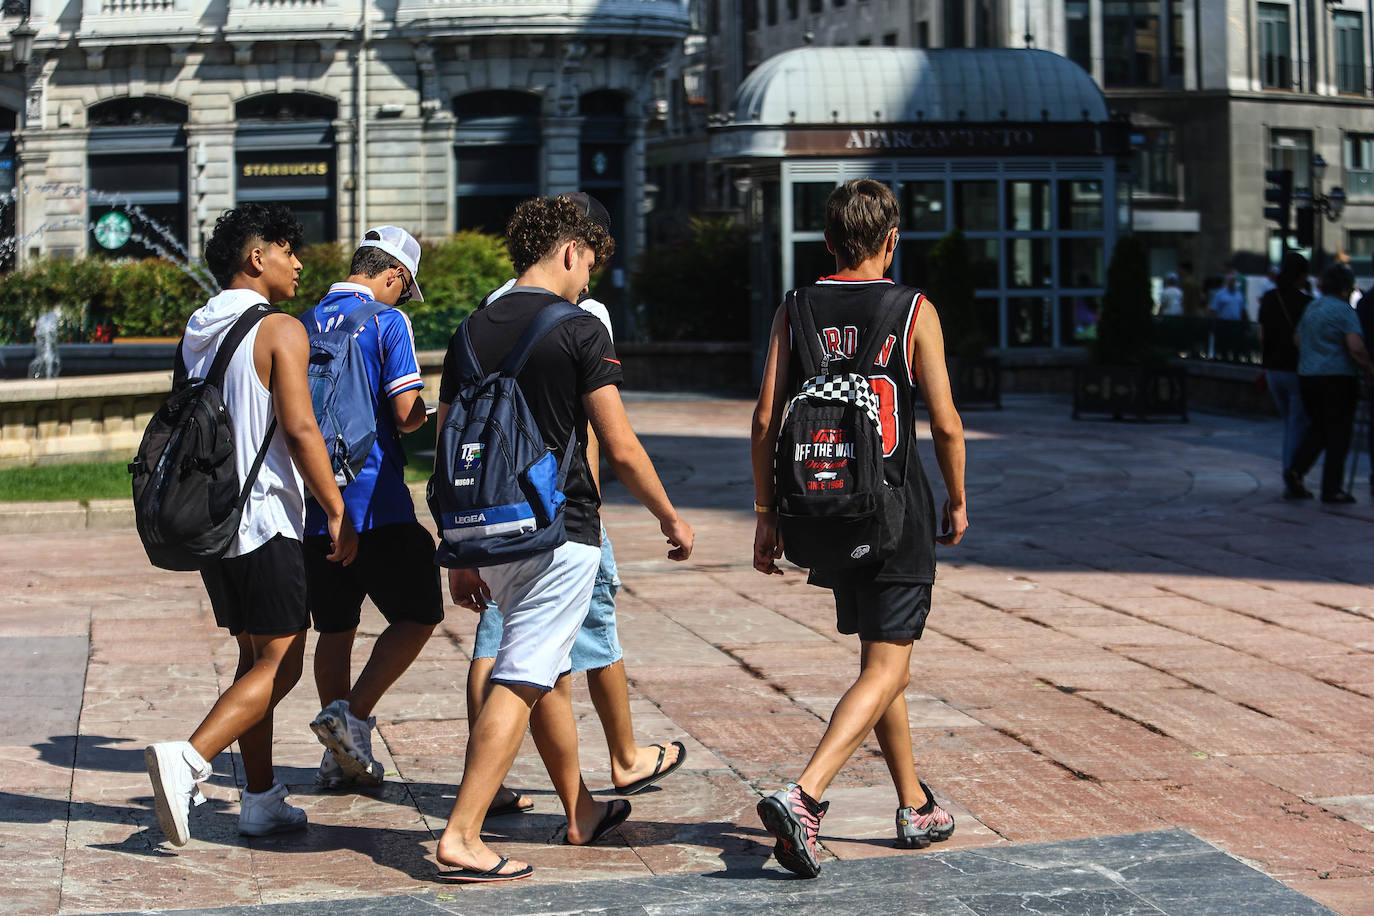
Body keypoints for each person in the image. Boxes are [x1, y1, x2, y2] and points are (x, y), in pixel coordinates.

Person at [433, 195, 694, 883]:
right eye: (587, 269)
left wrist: (456, 550)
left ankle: (579, 810)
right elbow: (621, 445)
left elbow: (446, 443)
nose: (587, 285)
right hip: (559, 529)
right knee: (521, 679)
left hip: (488, 528)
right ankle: (462, 834)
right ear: (570, 250)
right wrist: (670, 517)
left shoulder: (469, 330)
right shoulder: (579, 329)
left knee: (543, 670)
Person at [749, 179, 968, 879]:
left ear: (827, 241)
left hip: (826, 509)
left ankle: (913, 805)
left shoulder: (796, 307)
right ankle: (805, 797)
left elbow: (763, 421)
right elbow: (947, 422)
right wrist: (957, 500)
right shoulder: (912, 309)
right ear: (891, 238)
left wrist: (765, 514)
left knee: (881, 661)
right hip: (896, 508)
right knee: (887, 665)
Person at [143, 204, 358, 847]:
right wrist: (337, 507)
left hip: (214, 522)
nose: (299, 262)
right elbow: (299, 428)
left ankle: (261, 798)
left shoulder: (198, 327)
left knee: (251, 659)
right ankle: (190, 759)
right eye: (290, 249)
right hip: (265, 517)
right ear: (256, 257)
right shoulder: (280, 331)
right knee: (283, 661)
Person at [297, 226, 442, 790]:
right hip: (375, 501)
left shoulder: (301, 322)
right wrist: (426, 413)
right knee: (419, 613)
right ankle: (350, 717)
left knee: (335, 628)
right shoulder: (388, 321)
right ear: (394, 276)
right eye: (403, 289)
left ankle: (342, 756)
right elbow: (405, 411)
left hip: (312, 505)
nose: (401, 298)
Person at [1287, 262, 1374, 503]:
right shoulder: (1344, 311)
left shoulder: (1313, 307)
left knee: (1319, 428)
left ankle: (1296, 469)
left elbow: (1297, 339)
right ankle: (1332, 488)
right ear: (1346, 288)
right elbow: (1356, 348)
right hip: (1337, 379)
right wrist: (1369, 368)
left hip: (1308, 376)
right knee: (1339, 434)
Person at [1258, 252, 1314, 498]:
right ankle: (1292, 475)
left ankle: (1289, 472)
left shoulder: (1270, 298)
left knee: (1289, 425)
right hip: (1295, 370)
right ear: (1301, 275)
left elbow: (1261, 335)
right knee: (1297, 426)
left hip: (1272, 369)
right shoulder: (1306, 302)